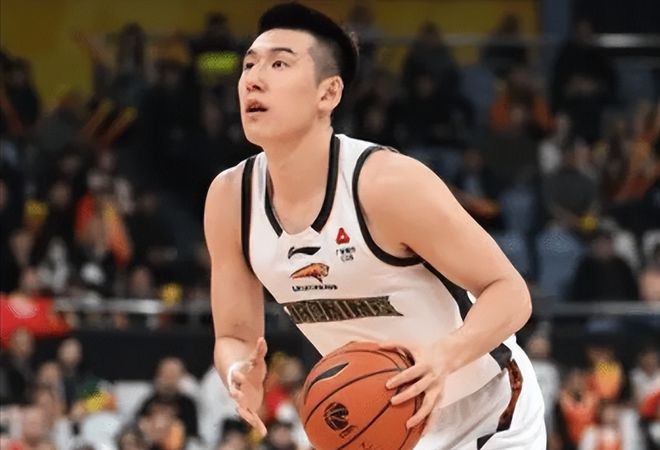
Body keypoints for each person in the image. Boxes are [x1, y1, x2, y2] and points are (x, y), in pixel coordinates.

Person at [204, 3, 545, 449]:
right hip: (381, 425)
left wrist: (443, 356)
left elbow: (511, 293)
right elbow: (234, 335)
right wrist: (237, 370)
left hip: (487, 412)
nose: (253, 78)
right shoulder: (230, 199)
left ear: (328, 93)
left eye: (279, 64)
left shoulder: (385, 184)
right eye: (249, 64)